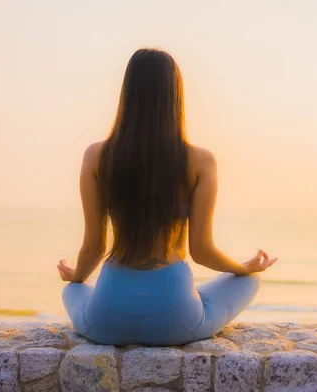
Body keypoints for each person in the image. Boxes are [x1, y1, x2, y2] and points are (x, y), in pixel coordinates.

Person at [56, 48, 278, 345]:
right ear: (175, 96)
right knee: (249, 282)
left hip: (107, 319)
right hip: (176, 320)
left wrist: (77, 275)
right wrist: (244, 267)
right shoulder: (200, 161)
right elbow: (201, 251)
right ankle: (190, 297)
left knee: (72, 290)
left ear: (127, 93)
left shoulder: (97, 156)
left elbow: (94, 246)